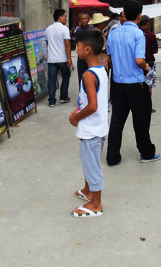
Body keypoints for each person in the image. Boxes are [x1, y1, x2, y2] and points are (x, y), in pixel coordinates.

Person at [107, 0, 160, 165]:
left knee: (117, 120)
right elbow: (139, 60)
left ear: (123, 14)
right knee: (141, 120)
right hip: (135, 84)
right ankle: (146, 153)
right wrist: (146, 67)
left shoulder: (113, 33)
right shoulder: (138, 34)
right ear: (139, 16)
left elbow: (109, 59)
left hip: (117, 82)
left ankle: (112, 156)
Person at [69, 30, 109, 218]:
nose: (75, 49)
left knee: (92, 167)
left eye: (77, 46)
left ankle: (96, 203)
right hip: (99, 128)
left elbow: (92, 106)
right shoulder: (101, 69)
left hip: (91, 131)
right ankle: (87, 190)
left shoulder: (87, 75)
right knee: (89, 162)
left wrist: (76, 118)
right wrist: (78, 111)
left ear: (87, 50)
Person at [45, 9, 73, 107]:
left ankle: (52, 101)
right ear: (60, 17)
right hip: (62, 59)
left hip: (51, 60)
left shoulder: (48, 29)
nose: (66, 18)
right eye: (65, 16)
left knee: (52, 79)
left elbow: (47, 43)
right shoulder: (64, 29)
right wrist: (69, 58)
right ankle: (63, 96)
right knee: (66, 76)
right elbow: (67, 44)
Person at [139, 15, 159, 113]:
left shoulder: (136, 33)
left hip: (137, 63)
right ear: (148, 24)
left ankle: (137, 105)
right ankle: (147, 106)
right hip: (149, 62)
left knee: (138, 85)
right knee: (148, 85)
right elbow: (155, 50)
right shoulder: (151, 35)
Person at [74, 13, 94, 85]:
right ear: (80, 20)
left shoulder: (92, 29)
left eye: (85, 19)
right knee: (81, 76)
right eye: (82, 19)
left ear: (88, 20)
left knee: (90, 76)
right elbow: (77, 42)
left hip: (90, 56)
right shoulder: (78, 31)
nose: (84, 20)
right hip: (81, 56)